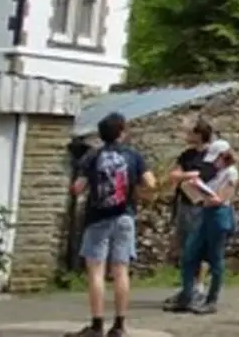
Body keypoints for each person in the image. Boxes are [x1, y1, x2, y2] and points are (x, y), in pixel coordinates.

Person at [69, 111, 156, 337]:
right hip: (125, 216)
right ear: (121, 132)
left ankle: (97, 325)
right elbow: (150, 183)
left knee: (96, 272)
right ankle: (119, 325)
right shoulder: (133, 155)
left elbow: (77, 188)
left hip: (97, 218)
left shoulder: (92, 156)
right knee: (121, 271)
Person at [168, 140, 238, 315]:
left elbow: (220, 199)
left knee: (215, 258)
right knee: (190, 254)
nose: (213, 163)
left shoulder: (231, 173)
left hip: (219, 216)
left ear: (223, 157)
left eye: (216, 159)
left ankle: (211, 300)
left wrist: (203, 193)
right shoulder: (217, 172)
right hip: (205, 214)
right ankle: (187, 295)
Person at [162, 118, 217, 311]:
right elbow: (174, 175)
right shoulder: (187, 154)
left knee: (200, 245)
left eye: (190, 133)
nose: (186, 136)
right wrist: (188, 175)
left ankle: (200, 286)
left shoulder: (212, 155)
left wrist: (186, 176)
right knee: (185, 246)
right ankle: (187, 286)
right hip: (184, 203)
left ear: (199, 134)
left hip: (201, 205)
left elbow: (205, 176)